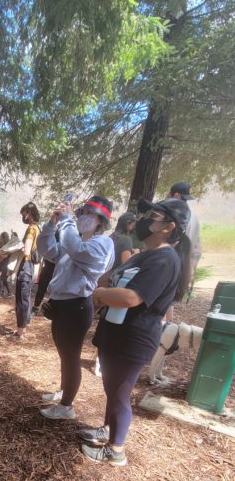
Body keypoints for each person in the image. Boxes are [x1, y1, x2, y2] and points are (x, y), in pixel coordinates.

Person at [80, 198, 191, 466]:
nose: (144, 220)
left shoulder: (165, 260)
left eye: (153, 216)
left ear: (169, 227)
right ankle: (107, 430)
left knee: (120, 394)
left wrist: (101, 294)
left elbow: (132, 297)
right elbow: (112, 277)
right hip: (117, 334)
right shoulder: (145, 255)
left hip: (133, 339)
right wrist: (106, 287)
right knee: (112, 389)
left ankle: (115, 450)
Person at [36, 196, 115, 415]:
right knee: (64, 354)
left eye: (89, 214)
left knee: (71, 356)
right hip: (61, 305)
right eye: (81, 213)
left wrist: (67, 221)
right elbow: (46, 249)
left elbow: (76, 249)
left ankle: (66, 407)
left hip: (77, 307)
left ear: (101, 221)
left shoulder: (103, 243)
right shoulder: (74, 241)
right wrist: (52, 224)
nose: (83, 218)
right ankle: (64, 391)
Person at [9, 202, 41, 339]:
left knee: (22, 300)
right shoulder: (37, 228)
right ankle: (23, 328)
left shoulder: (31, 229)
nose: (23, 216)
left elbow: (26, 250)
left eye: (25, 213)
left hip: (25, 266)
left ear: (30, 213)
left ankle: (20, 331)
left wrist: (14, 246)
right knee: (25, 298)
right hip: (29, 267)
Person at [169, 182, 201, 279]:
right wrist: (191, 268)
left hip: (170, 262)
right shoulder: (194, 217)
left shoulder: (172, 214)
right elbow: (196, 246)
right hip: (185, 264)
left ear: (176, 195)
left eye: (169, 194)